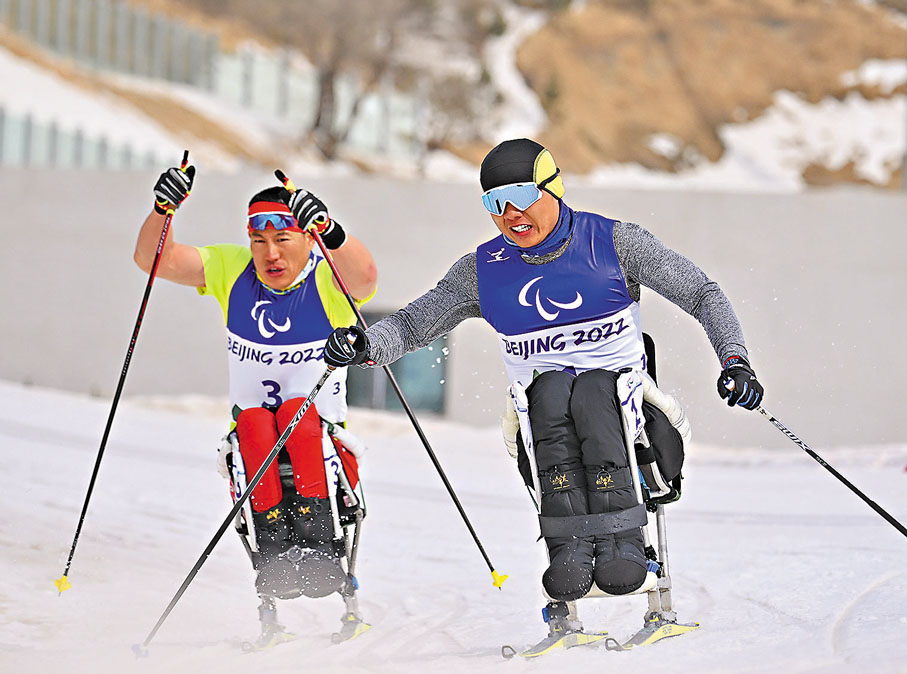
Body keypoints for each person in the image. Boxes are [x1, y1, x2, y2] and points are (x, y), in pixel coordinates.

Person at [321, 138, 764, 606]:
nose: (511, 212)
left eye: (523, 195)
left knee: (592, 390)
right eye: (495, 202)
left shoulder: (613, 243)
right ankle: (568, 551)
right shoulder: (482, 271)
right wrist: (365, 344)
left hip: (638, 427)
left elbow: (702, 293)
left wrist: (735, 360)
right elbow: (413, 324)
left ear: (554, 188)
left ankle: (625, 544)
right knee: (551, 391)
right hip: (543, 427)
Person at [133, 163, 378, 646]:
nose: (270, 254)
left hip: (323, 442)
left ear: (306, 240)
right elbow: (153, 260)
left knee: (292, 413)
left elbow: (366, 278)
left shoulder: (328, 277)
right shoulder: (231, 269)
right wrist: (163, 211)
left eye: (284, 239)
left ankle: (318, 540)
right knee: (255, 422)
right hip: (253, 443)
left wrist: (330, 229)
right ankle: (274, 549)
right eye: (259, 241)